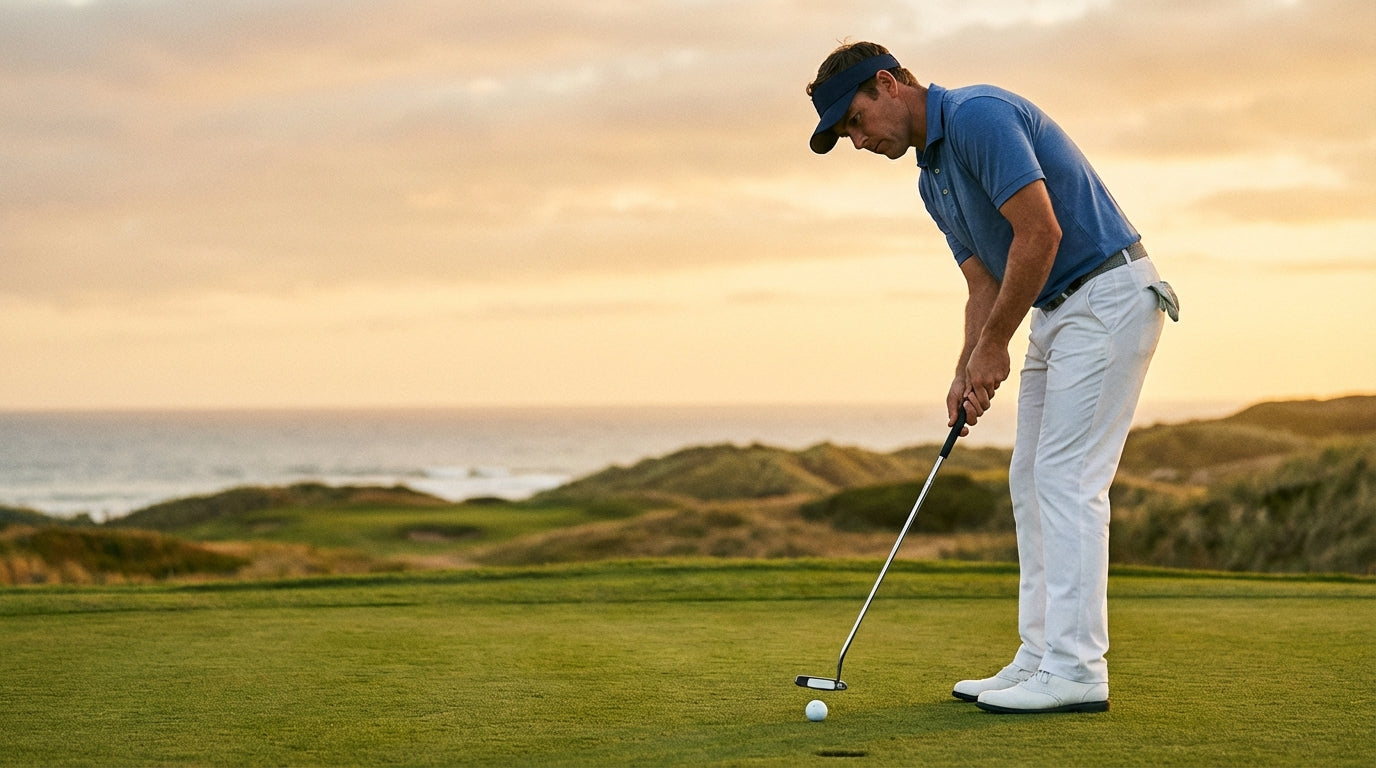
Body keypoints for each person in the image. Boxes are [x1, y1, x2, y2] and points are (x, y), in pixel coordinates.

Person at [806, 41, 1178, 714]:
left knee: (1067, 481)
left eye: (854, 123)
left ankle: (1076, 668)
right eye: (843, 136)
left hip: (1107, 295)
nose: (856, 142)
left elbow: (1040, 233)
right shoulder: (930, 177)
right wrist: (965, 370)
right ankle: (1039, 657)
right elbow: (983, 282)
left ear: (889, 85)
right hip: (1057, 311)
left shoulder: (977, 115)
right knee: (1030, 480)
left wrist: (996, 346)